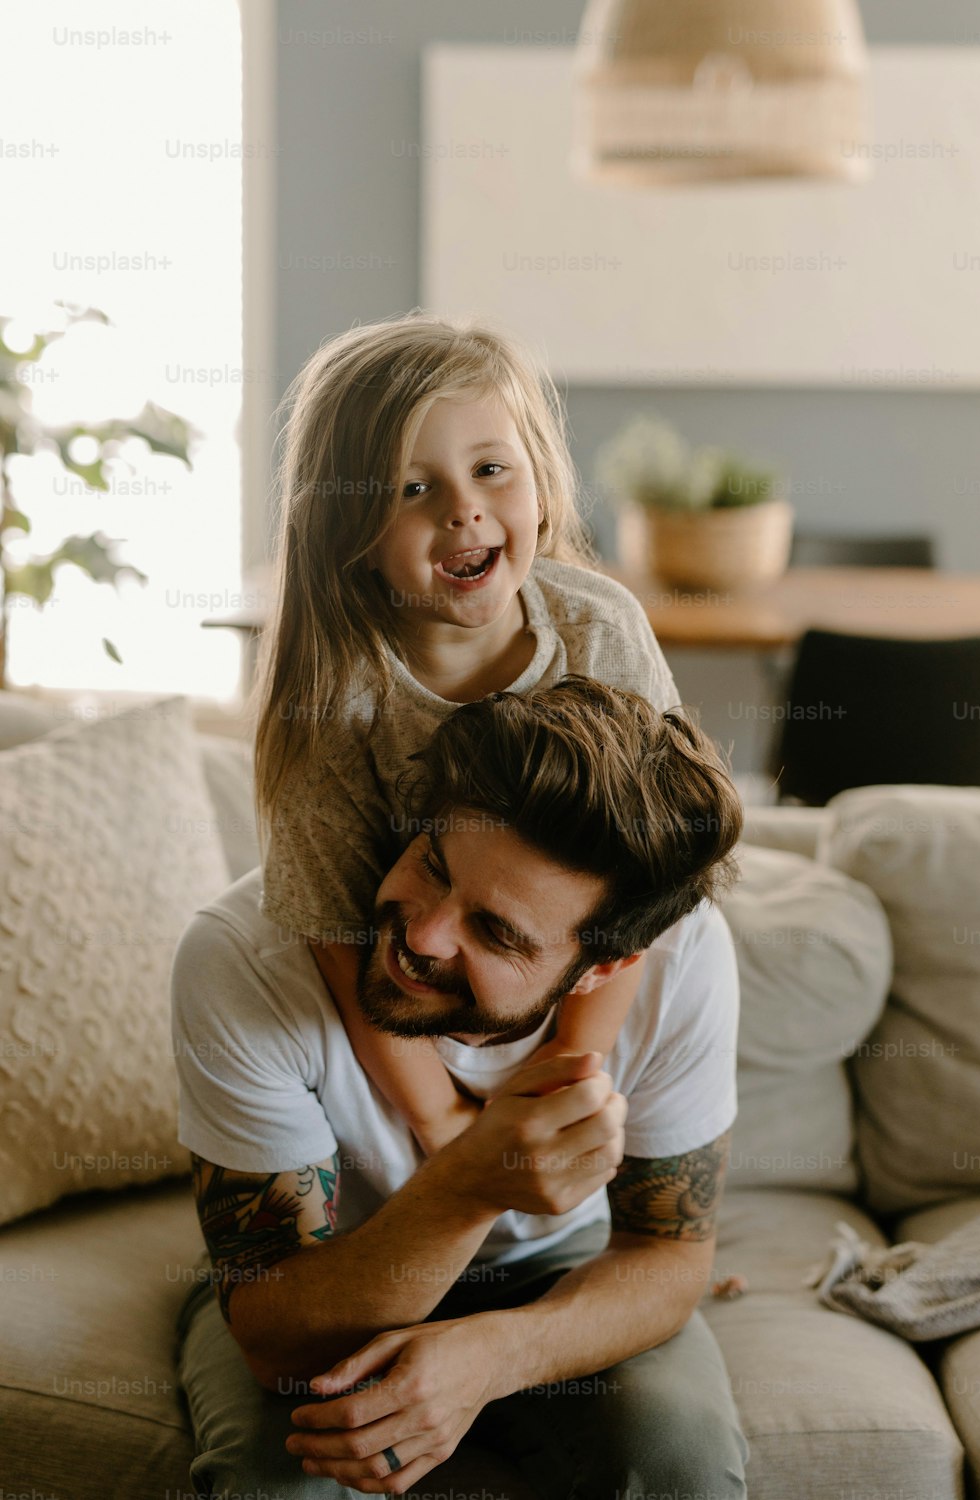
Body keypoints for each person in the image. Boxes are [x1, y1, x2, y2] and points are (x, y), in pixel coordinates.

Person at [171, 675, 749, 1498]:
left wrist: (499, 1353)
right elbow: (278, 1343)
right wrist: (471, 1184)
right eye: (433, 866)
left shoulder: (682, 960)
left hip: (562, 1267)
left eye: (495, 931)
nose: (423, 931)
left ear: (605, 967)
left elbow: (669, 1251)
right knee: (280, 1487)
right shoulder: (243, 960)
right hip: (324, 1266)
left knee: (677, 1466)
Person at [253, 310, 683, 1158]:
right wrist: (445, 1127)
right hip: (404, 1003)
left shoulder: (600, 630)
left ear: (542, 484)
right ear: (351, 533)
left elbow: (640, 886)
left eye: (492, 470)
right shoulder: (336, 696)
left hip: (579, 989)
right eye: (414, 489)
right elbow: (336, 935)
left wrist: (562, 1080)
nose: (465, 511)